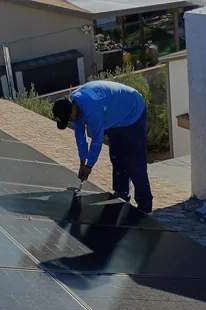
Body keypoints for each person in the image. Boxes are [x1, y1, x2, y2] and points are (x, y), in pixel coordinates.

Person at [52, 80, 153, 213]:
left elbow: (96, 141)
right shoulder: (73, 107)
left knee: (135, 163)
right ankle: (121, 196)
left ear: (74, 109)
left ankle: (145, 208)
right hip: (113, 114)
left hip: (132, 112)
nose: (72, 121)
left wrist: (89, 166)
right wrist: (82, 162)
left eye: (69, 119)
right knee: (117, 158)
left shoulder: (91, 110)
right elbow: (80, 138)